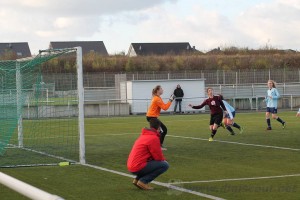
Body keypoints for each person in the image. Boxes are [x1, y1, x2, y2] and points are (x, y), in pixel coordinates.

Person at [127, 118, 169, 190]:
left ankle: (137, 180)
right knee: (164, 165)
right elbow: (158, 157)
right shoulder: (154, 138)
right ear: (159, 128)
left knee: (151, 162)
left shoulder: (144, 135)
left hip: (131, 165)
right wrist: (164, 160)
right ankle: (143, 181)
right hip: (137, 166)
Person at [146, 85, 175, 149]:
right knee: (162, 131)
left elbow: (164, 106)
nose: (162, 90)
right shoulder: (157, 98)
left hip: (152, 117)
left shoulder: (157, 97)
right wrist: (170, 100)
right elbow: (165, 108)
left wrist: (170, 100)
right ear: (158, 90)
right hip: (152, 117)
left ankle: (155, 145)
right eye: (161, 89)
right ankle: (157, 146)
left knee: (159, 131)